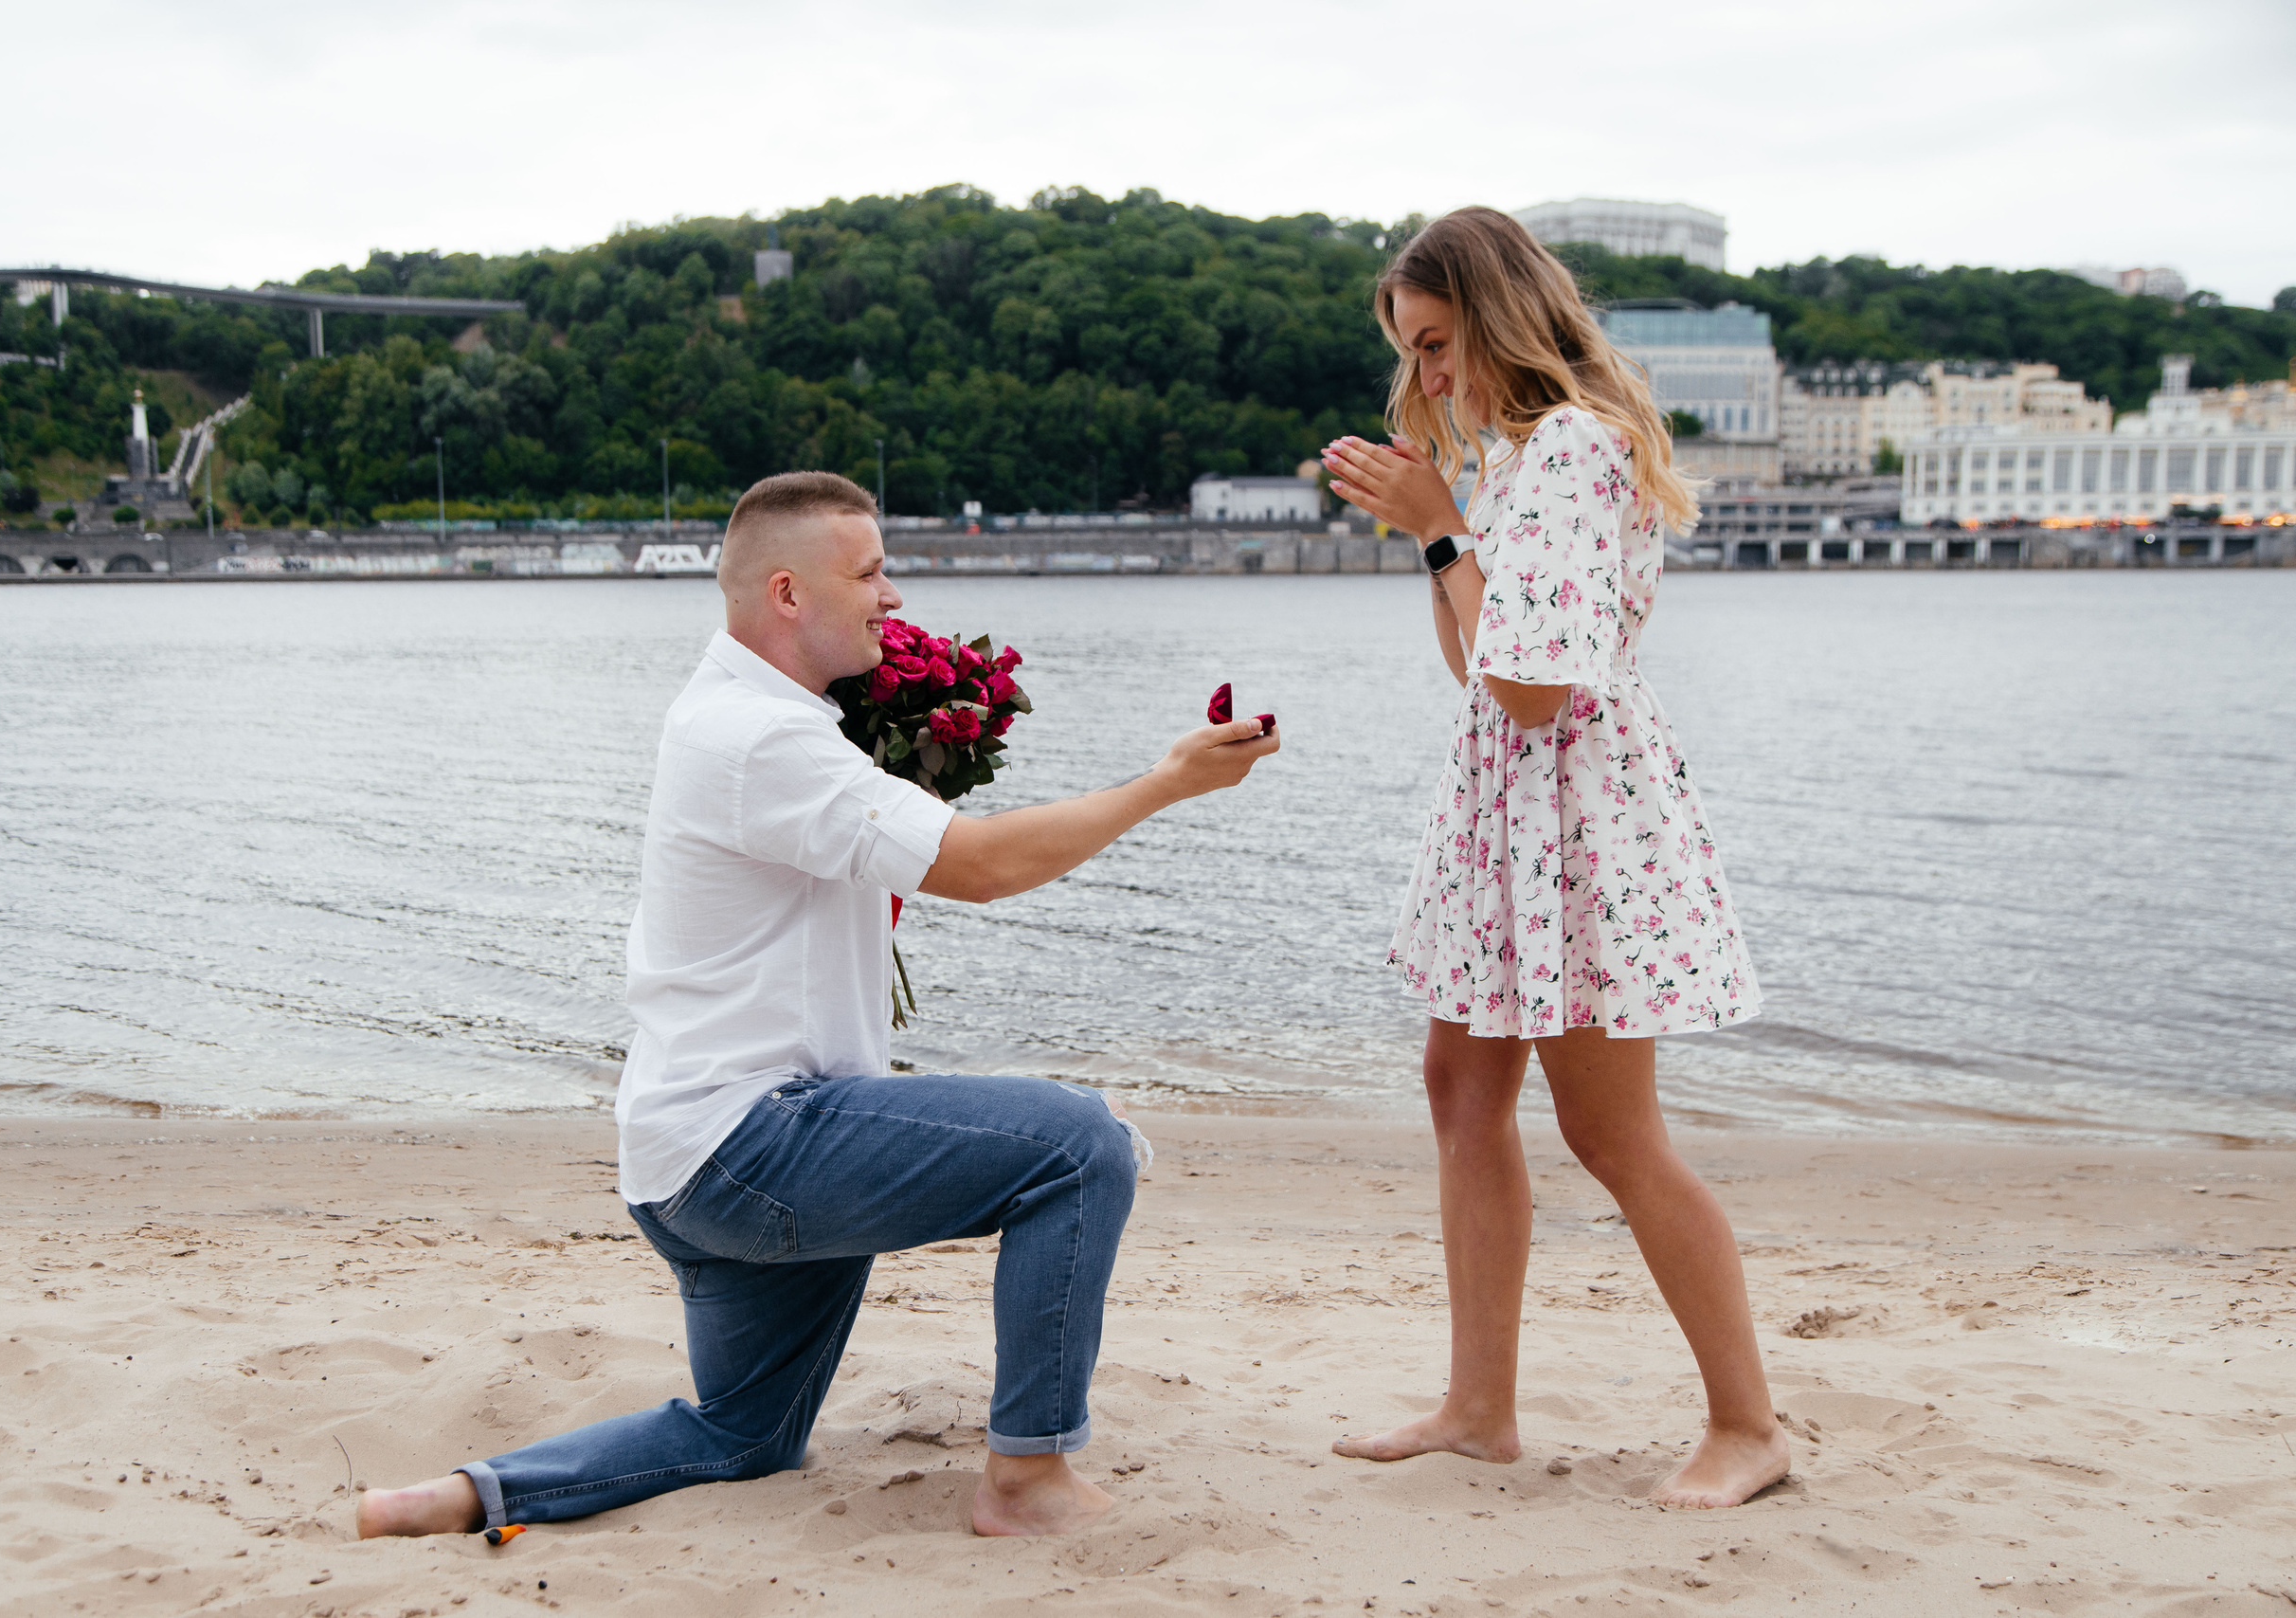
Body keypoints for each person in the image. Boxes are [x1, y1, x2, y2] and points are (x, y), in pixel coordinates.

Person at [357, 471, 1280, 1541]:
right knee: (1079, 1146)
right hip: (752, 1145)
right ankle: (1027, 1480)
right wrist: (1165, 783)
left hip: (683, 1157)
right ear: (788, 593)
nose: (893, 595)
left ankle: (464, 1494)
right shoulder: (762, 736)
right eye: (870, 573)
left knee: (744, 1436)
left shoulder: (746, 714)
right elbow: (981, 867)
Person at [1315, 208, 1788, 1509]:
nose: (1425, 375)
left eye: (1435, 343)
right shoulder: (1520, 458)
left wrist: (1440, 527)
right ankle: (1479, 1407)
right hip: (1513, 810)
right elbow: (1476, 664)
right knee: (1460, 1089)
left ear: (1496, 318)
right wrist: (1441, 532)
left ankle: (1749, 1423)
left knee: (1610, 1131)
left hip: (1575, 817)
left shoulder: (1575, 445)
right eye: (1410, 352)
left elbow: (1531, 690)